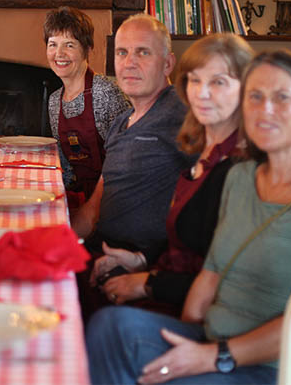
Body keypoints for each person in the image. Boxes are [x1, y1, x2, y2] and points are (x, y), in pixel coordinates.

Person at [86, 49, 291, 385]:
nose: (266, 109)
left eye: (282, 97)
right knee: (109, 328)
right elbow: (211, 274)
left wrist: (210, 357)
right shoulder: (241, 178)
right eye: (255, 97)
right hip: (211, 340)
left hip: (271, 367)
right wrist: (186, 340)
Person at [90, 34, 254, 316]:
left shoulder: (241, 167)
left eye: (218, 82)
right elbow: (187, 237)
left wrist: (147, 282)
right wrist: (140, 260)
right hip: (160, 272)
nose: (202, 93)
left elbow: (228, 279)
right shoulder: (201, 152)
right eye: (195, 80)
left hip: (194, 311)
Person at [73, 14, 194, 259]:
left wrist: (149, 268)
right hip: (99, 252)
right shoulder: (121, 122)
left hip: (138, 265)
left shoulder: (184, 115)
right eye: (121, 52)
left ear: (168, 64)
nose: (129, 62)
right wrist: (58, 243)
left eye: (143, 52)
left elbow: (214, 203)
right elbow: (94, 208)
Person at [44, 7, 130, 200]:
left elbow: (127, 159)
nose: (59, 54)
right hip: (80, 195)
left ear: (87, 49)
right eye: (52, 44)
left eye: (69, 45)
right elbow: (65, 167)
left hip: (114, 197)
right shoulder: (54, 101)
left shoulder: (106, 92)